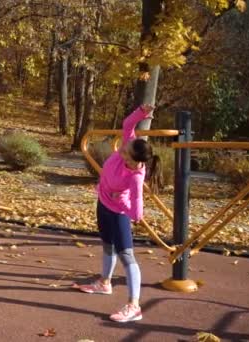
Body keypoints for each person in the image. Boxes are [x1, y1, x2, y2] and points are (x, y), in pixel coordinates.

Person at [77, 104, 161, 323]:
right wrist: (141, 113)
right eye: (126, 146)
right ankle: (105, 283)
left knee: (126, 255)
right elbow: (127, 124)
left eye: (126, 151)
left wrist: (129, 210)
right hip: (103, 205)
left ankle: (134, 306)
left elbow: (137, 206)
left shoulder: (135, 176)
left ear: (134, 161)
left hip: (119, 212)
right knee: (107, 245)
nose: (122, 148)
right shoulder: (128, 145)